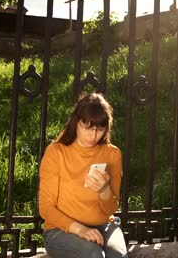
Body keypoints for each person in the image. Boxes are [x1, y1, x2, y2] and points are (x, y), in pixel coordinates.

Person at [39, 93, 128, 258]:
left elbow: (111, 208)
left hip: (103, 225)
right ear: (76, 122)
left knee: (118, 256)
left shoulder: (113, 154)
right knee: (93, 254)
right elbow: (46, 208)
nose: (93, 136)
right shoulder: (56, 152)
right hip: (60, 230)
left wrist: (104, 190)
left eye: (100, 129)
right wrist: (81, 230)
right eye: (87, 127)